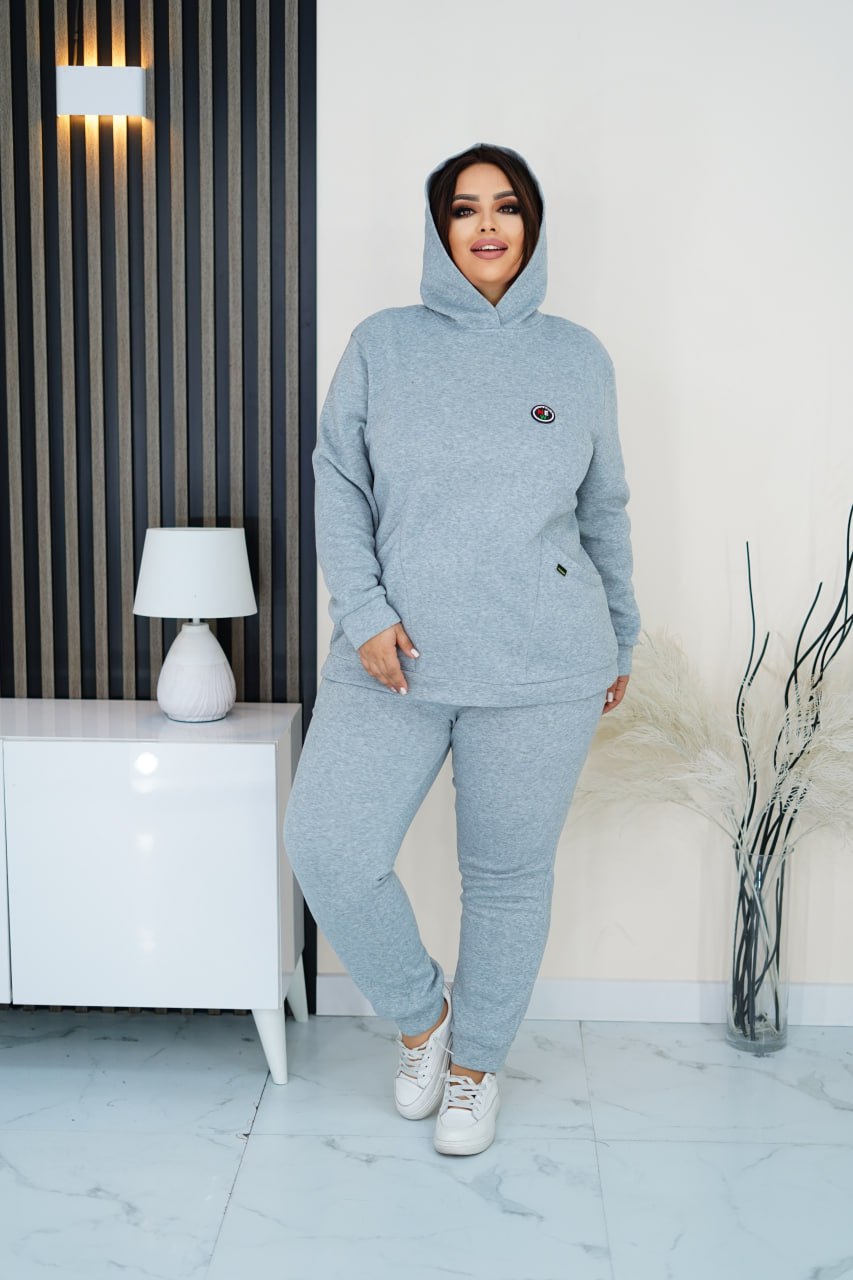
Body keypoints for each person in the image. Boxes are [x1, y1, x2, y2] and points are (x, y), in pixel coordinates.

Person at [283, 141, 641, 1157]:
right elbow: (338, 481)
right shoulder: (382, 344)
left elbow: (603, 507)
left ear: (531, 227)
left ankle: (476, 1067)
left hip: (544, 662)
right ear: (439, 228)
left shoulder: (577, 357)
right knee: (328, 846)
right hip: (391, 659)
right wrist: (363, 614)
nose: (487, 224)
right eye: (465, 207)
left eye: (507, 206)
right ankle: (422, 1020)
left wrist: (621, 633)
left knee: (506, 876)